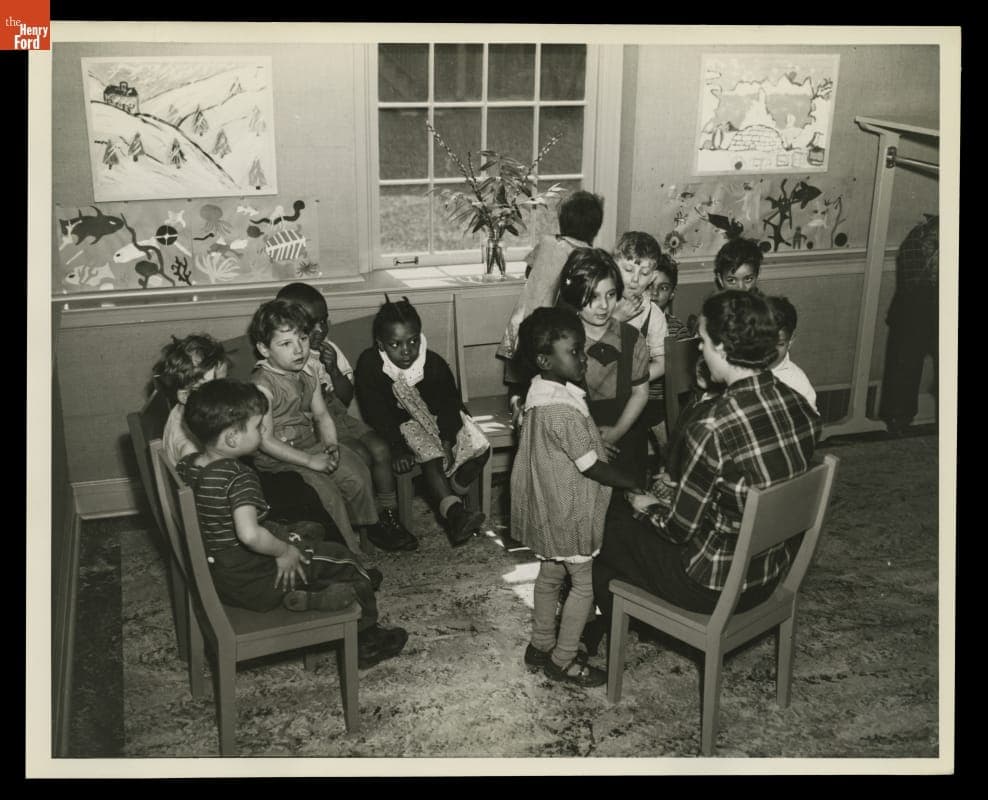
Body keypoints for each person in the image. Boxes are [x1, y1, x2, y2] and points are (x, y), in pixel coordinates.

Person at [586, 290, 821, 653]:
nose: (699, 350)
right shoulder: (799, 404)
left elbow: (679, 530)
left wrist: (645, 505)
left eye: (705, 342)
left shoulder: (710, 424)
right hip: (770, 575)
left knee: (604, 527)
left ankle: (625, 627)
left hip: (711, 585)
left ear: (725, 350)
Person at [176, 379, 407, 669]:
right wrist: (283, 552)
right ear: (233, 438)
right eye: (258, 427)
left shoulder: (189, 466)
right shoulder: (238, 477)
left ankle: (310, 597)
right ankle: (368, 639)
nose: (264, 433)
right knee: (343, 560)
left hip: (222, 577)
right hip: (257, 581)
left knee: (307, 531)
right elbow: (249, 534)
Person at [511, 307, 645, 688]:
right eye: (574, 351)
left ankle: (540, 644)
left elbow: (565, 447)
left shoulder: (540, 397)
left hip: (548, 509)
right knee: (583, 583)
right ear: (544, 360)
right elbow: (590, 467)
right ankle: (564, 659)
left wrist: (595, 443)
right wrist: (629, 481)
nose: (582, 358)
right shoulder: (563, 411)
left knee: (551, 573)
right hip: (570, 510)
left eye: (582, 349)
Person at [153, 333, 348, 549]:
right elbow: (215, 506)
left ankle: (334, 551)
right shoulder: (188, 445)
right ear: (184, 395)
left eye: (224, 382)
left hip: (230, 483)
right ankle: (333, 560)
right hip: (229, 516)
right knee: (305, 496)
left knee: (293, 482)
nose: (225, 391)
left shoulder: (192, 412)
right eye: (215, 387)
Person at [247, 299, 395, 560]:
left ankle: (366, 529)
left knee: (357, 471)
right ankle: (349, 552)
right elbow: (265, 441)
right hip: (277, 460)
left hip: (309, 444)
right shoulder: (263, 385)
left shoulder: (309, 371)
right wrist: (311, 461)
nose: (299, 350)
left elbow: (322, 414)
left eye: (302, 339)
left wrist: (331, 446)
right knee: (326, 493)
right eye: (286, 344)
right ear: (263, 349)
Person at [274, 282, 417, 550]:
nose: (321, 329)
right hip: (317, 426)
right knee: (360, 456)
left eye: (324, 320)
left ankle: (387, 513)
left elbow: (345, 397)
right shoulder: (289, 357)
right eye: (311, 324)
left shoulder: (330, 350)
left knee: (380, 449)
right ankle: (368, 522)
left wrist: (334, 371)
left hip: (340, 415)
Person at [354, 295, 492, 548]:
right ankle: (454, 513)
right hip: (401, 425)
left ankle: (457, 487)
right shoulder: (370, 365)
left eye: (413, 341)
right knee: (431, 457)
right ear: (381, 344)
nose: (406, 351)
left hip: (440, 419)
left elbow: (450, 403)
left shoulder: (434, 363)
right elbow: (376, 413)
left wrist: (448, 436)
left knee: (480, 447)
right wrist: (396, 447)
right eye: (395, 344)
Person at [557, 248, 652, 488]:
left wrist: (616, 432)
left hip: (625, 437)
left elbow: (641, 393)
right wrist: (589, 438)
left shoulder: (632, 339)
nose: (603, 306)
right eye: (593, 297)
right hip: (576, 440)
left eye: (610, 295)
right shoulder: (561, 342)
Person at [496, 190, 606, 397]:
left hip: (526, 317)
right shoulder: (588, 256)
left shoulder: (547, 243)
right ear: (595, 228)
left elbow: (529, 271)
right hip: (554, 326)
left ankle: (518, 407)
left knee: (522, 380)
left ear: (562, 221)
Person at [609, 232, 669, 469]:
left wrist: (632, 379)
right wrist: (615, 320)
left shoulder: (653, 315)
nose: (634, 280)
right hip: (593, 392)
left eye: (643, 274)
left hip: (631, 398)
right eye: (627, 269)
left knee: (628, 460)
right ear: (614, 265)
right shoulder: (599, 302)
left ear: (652, 276)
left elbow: (663, 362)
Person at [879, 214, 938, 436]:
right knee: (903, 372)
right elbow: (913, 283)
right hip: (915, 311)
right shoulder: (919, 237)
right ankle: (897, 423)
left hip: (932, 307)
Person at [765, 295, 819, 414]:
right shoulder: (741, 368)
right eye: (765, 342)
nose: (770, 351)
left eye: (779, 344)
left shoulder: (798, 384)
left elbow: (811, 425)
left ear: (791, 341)